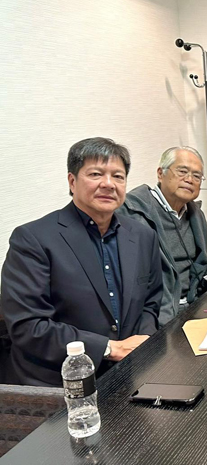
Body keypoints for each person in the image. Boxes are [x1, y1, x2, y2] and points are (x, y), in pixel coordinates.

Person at [1, 138, 163, 386]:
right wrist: (109, 349)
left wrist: (143, 340)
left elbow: (150, 301)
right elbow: (29, 327)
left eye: (118, 176)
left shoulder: (143, 236)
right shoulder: (32, 239)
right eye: (96, 174)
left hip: (128, 374)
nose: (108, 184)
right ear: (72, 181)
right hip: (57, 383)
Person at [118, 147, 207, 325]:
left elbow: (198, 267)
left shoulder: (195, 214)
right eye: (182, 172)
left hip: (194, 306)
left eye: (197, 176)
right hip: (158, 316)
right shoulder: (132, 213)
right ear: (161, 174)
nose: (189, 180)